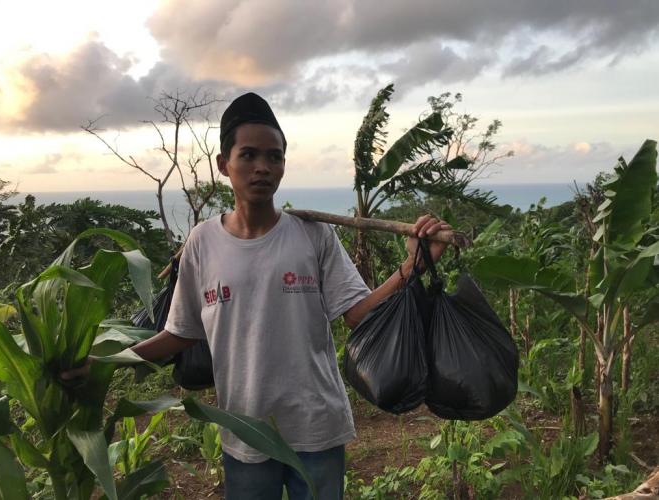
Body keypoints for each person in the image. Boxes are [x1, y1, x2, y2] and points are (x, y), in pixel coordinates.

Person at [64, 92, 450, 499]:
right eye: (248, 155)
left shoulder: (313, 235)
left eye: (275, 157)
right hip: (245, 432)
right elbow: (181, 333)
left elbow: (358, 315)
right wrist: (105, 362)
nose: (263, 167)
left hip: (316, 428)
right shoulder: (201, 243)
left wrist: (415, 265)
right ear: (223, 165)